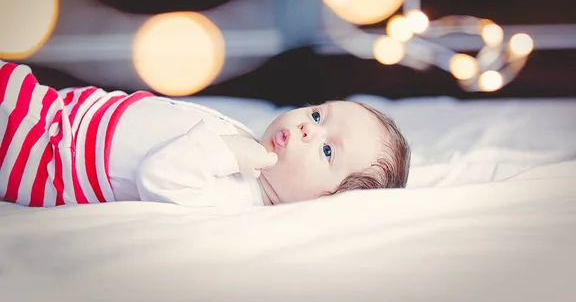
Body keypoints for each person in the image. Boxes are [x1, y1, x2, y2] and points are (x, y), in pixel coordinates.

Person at [0, 60, 411, 211]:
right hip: (58, 111)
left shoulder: (234, 198)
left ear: (327, 204)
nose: (307, 126)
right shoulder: (253, 150)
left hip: (43, 152)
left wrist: (224, 154)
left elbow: (158, 177)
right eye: (320, 114)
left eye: (325, 149)